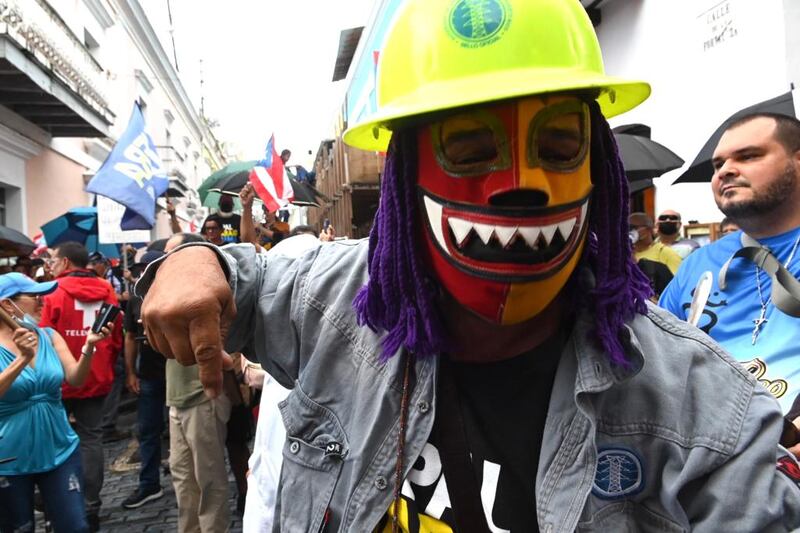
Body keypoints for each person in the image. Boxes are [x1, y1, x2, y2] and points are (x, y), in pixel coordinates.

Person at [139, 1, 800, 531]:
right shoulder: (338, 298)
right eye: (470, 143)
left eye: (559, 142)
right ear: (405, 174)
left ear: (597, 164)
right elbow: (245, 278)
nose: (523, 184)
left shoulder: (701, 408)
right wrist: (192, 260)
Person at [660, 112, 800, 417]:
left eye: (748, 156)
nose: (725, 171)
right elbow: (658, 362)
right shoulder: (697, 265)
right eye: (718, 165)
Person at [0, 273, 112, 532]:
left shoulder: (48, 335)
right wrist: (21, 359)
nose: (43, 302)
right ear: (7, 304)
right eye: (34, 297)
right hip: (9, 460)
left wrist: (90, 346)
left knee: (74, 526)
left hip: (59, 449)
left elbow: (75, 378)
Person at [40, 242, 124, 531]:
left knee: (57, 442)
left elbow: (44, 337)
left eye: (52, 259)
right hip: (96, 374)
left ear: (65, 263)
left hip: (58, 378)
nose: (49, 264)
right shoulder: (107, 289)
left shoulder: (52, 291)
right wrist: (104, 363)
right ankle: (91, 506)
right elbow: (115, 335)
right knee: (92, 439)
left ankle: (63, 505)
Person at [160, 232, 232, 532]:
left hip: (202, 398)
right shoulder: (167, 292)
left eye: (170, 253)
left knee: (209, 479)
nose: (164, 260)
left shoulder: (206, 292)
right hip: (176, 399)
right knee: (182, 480)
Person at [121, 250, 168, 509]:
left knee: (183, 431)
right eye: (142, 267)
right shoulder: (136, 298)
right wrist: (130, 372)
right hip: (149, 373)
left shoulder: (176, 290)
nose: (145, 271)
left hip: (177, 371)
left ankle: (190, 481)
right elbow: (129, 336)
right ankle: (149, 484)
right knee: (148, 430)